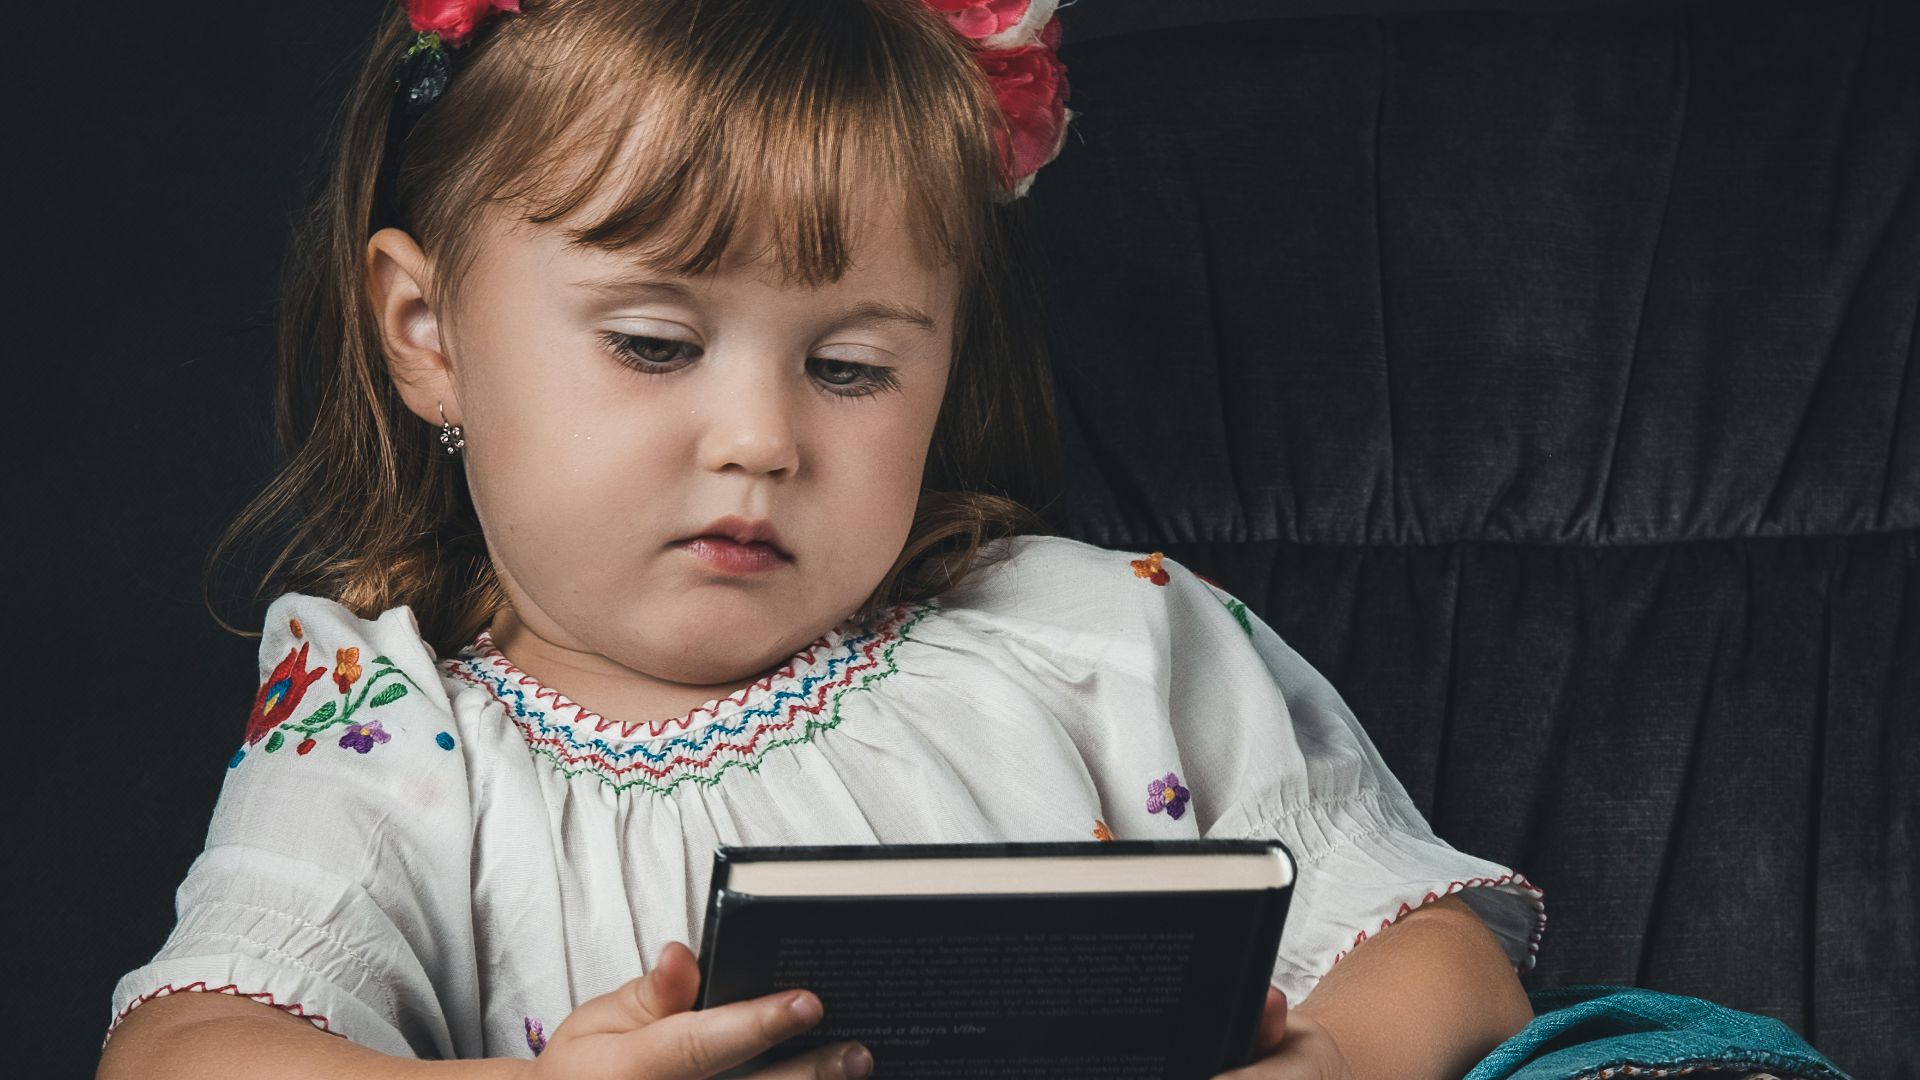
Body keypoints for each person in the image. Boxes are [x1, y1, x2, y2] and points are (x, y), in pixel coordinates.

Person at [98, 1, 1546, 1077]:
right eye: (657, 343)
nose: (762, 438)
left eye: (850, 369)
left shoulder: (1102, 637)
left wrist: (1340, 1062)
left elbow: (1440, 955)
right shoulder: (384, 725)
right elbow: (187, 1049)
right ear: (430, 338)